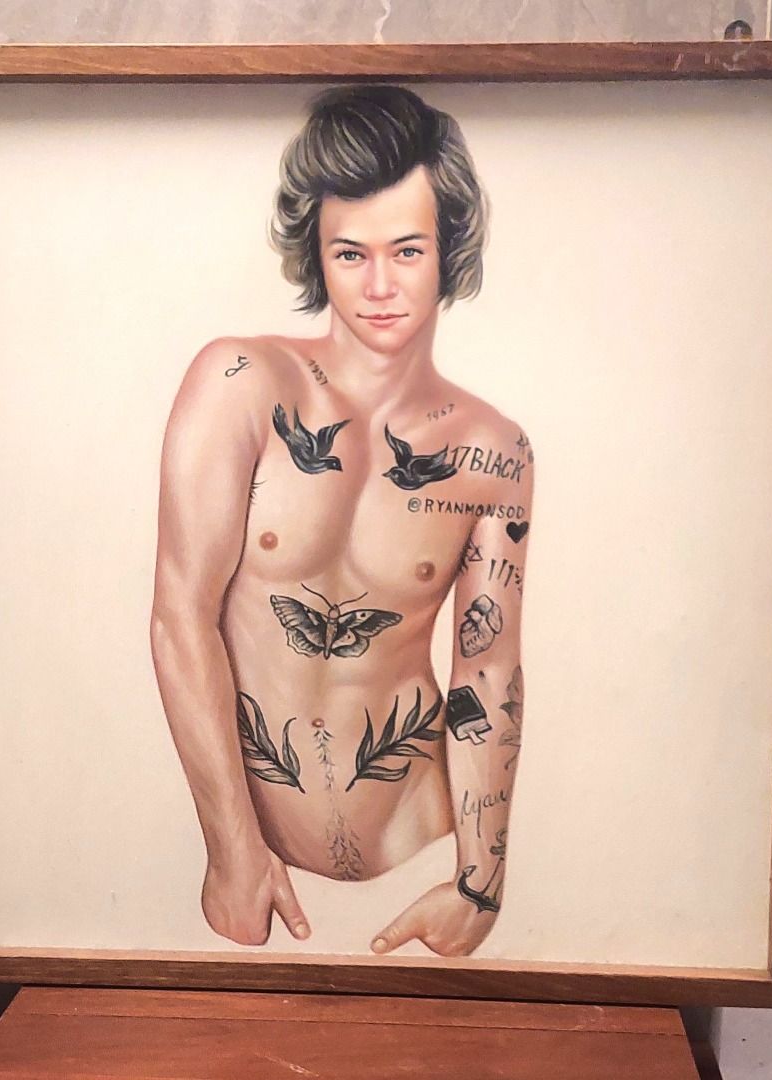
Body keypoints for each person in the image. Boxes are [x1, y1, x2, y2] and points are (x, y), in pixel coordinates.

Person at [150, 85, 532, 957]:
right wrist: (231, 850)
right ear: (315, 255)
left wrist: (480, 882)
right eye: (349, 254)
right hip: (252, 854)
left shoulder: (491, 450)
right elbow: (180, 615)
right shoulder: (241, 384)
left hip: (418, 840)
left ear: (448, 250)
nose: (380, 286)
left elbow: (487, 668)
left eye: (407, 250)